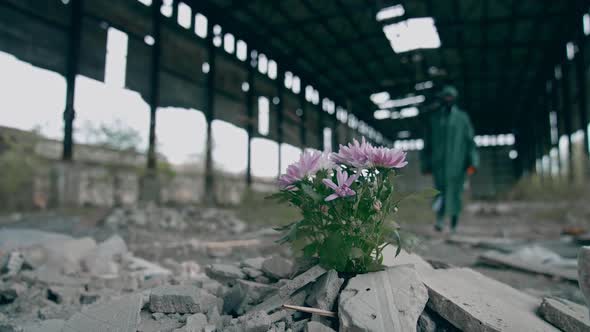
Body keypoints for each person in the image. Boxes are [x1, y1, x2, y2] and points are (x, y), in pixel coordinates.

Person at [420, 85, 479, 233]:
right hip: (439, 164)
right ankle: (439, 220)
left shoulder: (462, 119)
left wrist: (473, 162)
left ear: (455, 99)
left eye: (450, 97)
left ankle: (454, 223)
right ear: (442, 99)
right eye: (445, 97)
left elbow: (470, 142)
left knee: (455, 193)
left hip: (457, 164)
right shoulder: (434, 119)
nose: (448, 100)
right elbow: (427, 143)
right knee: (439, 192)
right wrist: (426, 164)